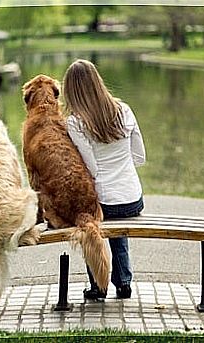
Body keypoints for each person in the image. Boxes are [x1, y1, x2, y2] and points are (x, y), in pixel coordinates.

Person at [62, 59, 146, 300]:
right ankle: (124, 282)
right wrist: (121, 166)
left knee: (91, 222)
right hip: (132, 199)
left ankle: (99, 286)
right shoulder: (124, 110)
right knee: (117, 226)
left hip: (103, 202)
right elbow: (139, 156)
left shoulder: (76, 122)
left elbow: (92, 170)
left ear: (72, 91)